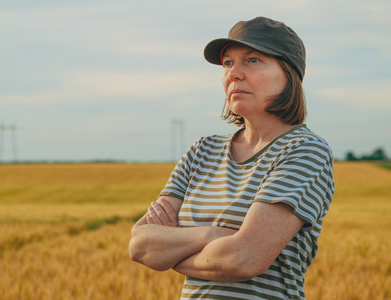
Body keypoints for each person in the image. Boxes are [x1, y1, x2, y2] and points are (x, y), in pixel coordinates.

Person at [129, 16, 335, 300]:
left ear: (289, 74)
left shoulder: (304, 150)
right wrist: (211, 236)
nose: (234, 73)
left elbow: (245, 258)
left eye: (252, 60)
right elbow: (140, 245)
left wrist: (170, 254)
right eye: (228, 63)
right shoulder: (202, 151)